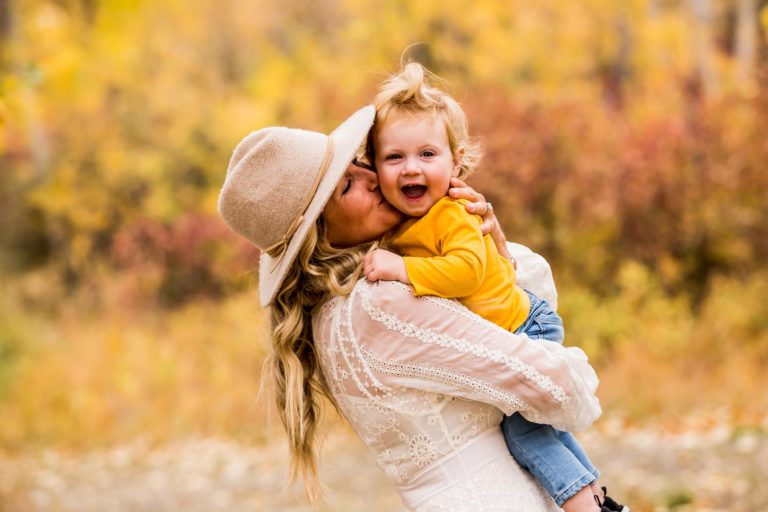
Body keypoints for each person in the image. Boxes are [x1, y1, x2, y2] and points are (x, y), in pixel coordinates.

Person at [217, 104, 603, 511]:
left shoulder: (335, 314)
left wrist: (493, 248)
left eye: (357, 165)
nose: (372, 178)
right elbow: (555, 384)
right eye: (346, 186)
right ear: (320, 234)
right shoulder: (379, 302)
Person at [362, 63, 627, 512]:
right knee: (546, 430)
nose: (411, 168)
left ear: (456, 161)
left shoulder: (452, 213)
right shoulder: (407, 224)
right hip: (509, 323)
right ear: (375, 166)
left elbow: (465, 271)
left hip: (524, 324)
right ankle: (600, 500)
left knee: (524, 432)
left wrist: (403, 271)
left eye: (428, 154)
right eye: (394, 157)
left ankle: (583, 508)